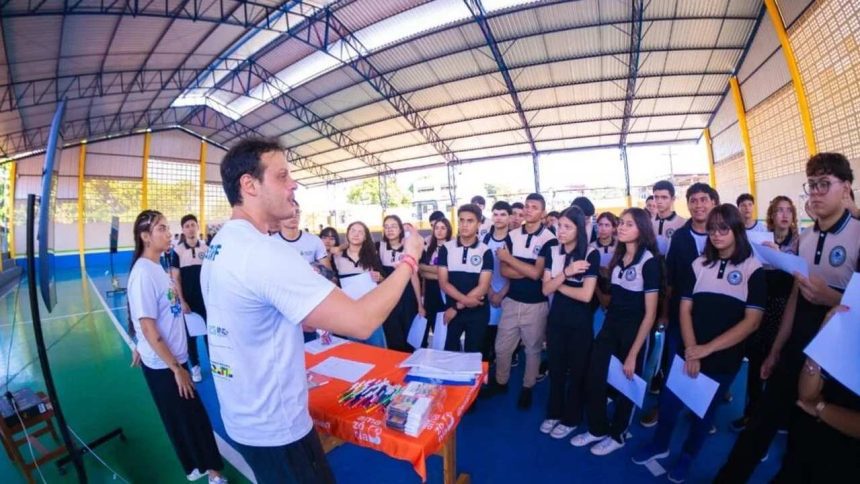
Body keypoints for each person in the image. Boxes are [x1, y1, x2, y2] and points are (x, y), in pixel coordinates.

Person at [200, 138, 424, 483]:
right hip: (277, 426)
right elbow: (361, 322)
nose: (294, 184)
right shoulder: (263, 253)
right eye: (282, 176)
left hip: (245, 415)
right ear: (249, 185)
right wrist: (410, 259)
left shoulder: (222, 245)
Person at [716, 152, 860, 483]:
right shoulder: (806, 239)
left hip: (836, 357)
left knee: (808, 438)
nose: (817, 191)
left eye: (826, 183)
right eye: (812, 184)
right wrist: (777, 349)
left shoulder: (857, 233)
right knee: (760, 425)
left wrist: (831, 298)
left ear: (846, 188)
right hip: (797, 345)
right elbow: (796, 296)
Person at [632, 204, 765, 483]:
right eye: (712, 229)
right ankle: (660, 444)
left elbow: (751, 322)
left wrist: (707, 350)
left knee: (703, 416)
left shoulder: (754, 269)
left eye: (723, 229)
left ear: (737, 231)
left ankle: (687, 458)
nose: (716, 235)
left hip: (722, 360)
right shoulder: (699, 264)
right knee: (668, 405)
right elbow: (685, 309)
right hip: (688, 352)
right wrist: (692, 351)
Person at [128, 210, 227, 484]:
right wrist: (176, 368)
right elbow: (148, 326)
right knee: (192, 419)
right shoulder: (143, 274)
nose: (168, 232)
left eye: (167, 227)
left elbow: (151, 316)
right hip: (165, 366)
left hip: (172, 360)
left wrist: (139, 343)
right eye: (161, 228)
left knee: (185, 419)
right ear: (145, 236)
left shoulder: (157, 267)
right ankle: (212, 472)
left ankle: (197, 466)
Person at [571, 208, 659, 456]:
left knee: (628, 386)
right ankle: (598, 428)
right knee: (594, 376)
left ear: (641, 229)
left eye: (628, 224)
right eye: (621, 223)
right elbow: (612, 302)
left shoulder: (649, 261)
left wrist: (633, 354)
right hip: (611, 327)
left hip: (635, 332)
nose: (621, 228)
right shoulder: (619, 260)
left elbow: (649, 314)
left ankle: (618, 434)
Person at [641, 183, 719, 427]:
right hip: (678, 312)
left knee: (710, 366)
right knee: (674, 362)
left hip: (714, 315)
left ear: (713, 203)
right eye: (693, 200)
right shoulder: (682, 236)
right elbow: (671, 280)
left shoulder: (725, 235)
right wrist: (664, 313)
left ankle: (702, 412)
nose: (699, 205)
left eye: (703, 200)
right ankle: (664, 409)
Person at [731, 196, 799, 432]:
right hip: (761, 303)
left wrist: (779, 255)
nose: (784, 214)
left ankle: (778, 415)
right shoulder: (760, 238)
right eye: (779, 210)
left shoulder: (800, 242)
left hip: (785, 308)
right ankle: (751, 412)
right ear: (771, 215)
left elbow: (800, 273)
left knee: (778, 361)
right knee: (756, 358)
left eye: (788, 210)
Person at [772, 305, 860, 482]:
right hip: (807, 448)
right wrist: (824, 337)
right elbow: (806, 394)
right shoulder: (852, 325)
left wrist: (821, 408)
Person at [487, 193, 556, 409]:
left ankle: (527, 388)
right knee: (501, 348)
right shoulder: (512, 235)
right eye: (527, 206)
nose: (528, 210)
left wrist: (511, 260)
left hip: (536, 305)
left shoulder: (550, 239)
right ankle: (501, 382)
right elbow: (505, 270)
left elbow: (538, 274)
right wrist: (525, 267)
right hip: (511, 301)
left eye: (534, 207)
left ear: (543, 213)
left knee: (533, 350)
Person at [539, 206, 600, 440]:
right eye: (559, 225)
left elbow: (586, 295)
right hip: (556, 320)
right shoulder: (553, 251)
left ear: (579, 229)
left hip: (580, 323)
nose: (560, 231)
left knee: (577, 372)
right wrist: (567, 272)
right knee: (555, 369)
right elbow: (545, 289)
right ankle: (554, 412)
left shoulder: (590, 254)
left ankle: (572, 418)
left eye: (567, 227)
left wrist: (557, 282)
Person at [437, 204, 494, 353]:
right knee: (450, 353)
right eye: (461, 220)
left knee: (473, 355)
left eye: (470, 221)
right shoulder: (446, 248)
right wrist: (462, 304)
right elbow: (443, 282)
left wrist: (458, 306)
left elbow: (483, 286)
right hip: (451, 311)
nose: (464, 225)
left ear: (479, 224)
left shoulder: (485, 251)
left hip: (477, 312)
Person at [275, 202, 332, 341]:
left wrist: (317, 269)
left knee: (317, 352)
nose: (294, 215)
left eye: (297, 211)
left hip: (312, 308)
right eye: (289, 212)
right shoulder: (270, 243)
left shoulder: (314, 241)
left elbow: (329, 274)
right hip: (283, 312)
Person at [331, 221, 388, 347]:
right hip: (349, 312)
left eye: (360, 232)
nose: (356, 234)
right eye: (353, 231)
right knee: (355, 351)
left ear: (365, 236)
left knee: (378, 350)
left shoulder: (373, 256)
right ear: (347, 234)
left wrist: (379, 277)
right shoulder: (337, 257)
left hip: (371, 311)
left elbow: (385, 280)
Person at [169, 214, 209, 383]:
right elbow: (176, 278)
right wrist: (182, 301)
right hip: (189, 301)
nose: (190, 228)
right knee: (191, 336)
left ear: (197, 227)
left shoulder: (206, 248)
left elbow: (211, 274)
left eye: (193, 224)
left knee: (210, 335)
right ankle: (195, 367)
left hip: (206, 300)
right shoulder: (177, 251)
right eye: (187, 226)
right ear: (183, 230)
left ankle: (215, 364)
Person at [378, 214, 424, 351]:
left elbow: (414, 277)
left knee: (410, 336)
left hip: (407, 297)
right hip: (388, 298)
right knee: (392, 336)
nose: (390, 230)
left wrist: (420, 304)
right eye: (386, 227)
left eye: (393, 226)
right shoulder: (378, 247)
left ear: (400, 230)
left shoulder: (408, 248)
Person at [483, 201, 512, 364]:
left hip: (507, 296)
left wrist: (501, 294)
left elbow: (516, 272)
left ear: (509, 217)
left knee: (504, 342)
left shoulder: (514, 240)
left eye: (503, 214)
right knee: (486, 337)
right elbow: (480, 269)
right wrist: (489, 292)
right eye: (496, 214)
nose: (499, 218)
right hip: (487, 294)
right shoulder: (484, 239)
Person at [418, 217, 452, 348]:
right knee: (426, 325)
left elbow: (450, 273)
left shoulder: (452, 247)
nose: (439, 231)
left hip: (445, 293)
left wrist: (429, 270)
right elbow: (420, 268)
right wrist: (438, 271)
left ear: (448, 230)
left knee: (443, 328)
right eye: (436, 228)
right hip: (429, 293)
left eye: (443, 228)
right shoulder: (428, 247)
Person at [651, 180, 687, 256]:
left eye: (664, 197)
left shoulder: (683, 223)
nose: (659, 201)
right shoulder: (649, 223)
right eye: (656, 197)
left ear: (673, 199)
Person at [592, 211, 619, 309]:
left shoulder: (620, 246)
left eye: (607, 225)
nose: (603, 229)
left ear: (614, 228)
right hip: (597, 292)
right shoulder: (591, 247)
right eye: (600, 225)